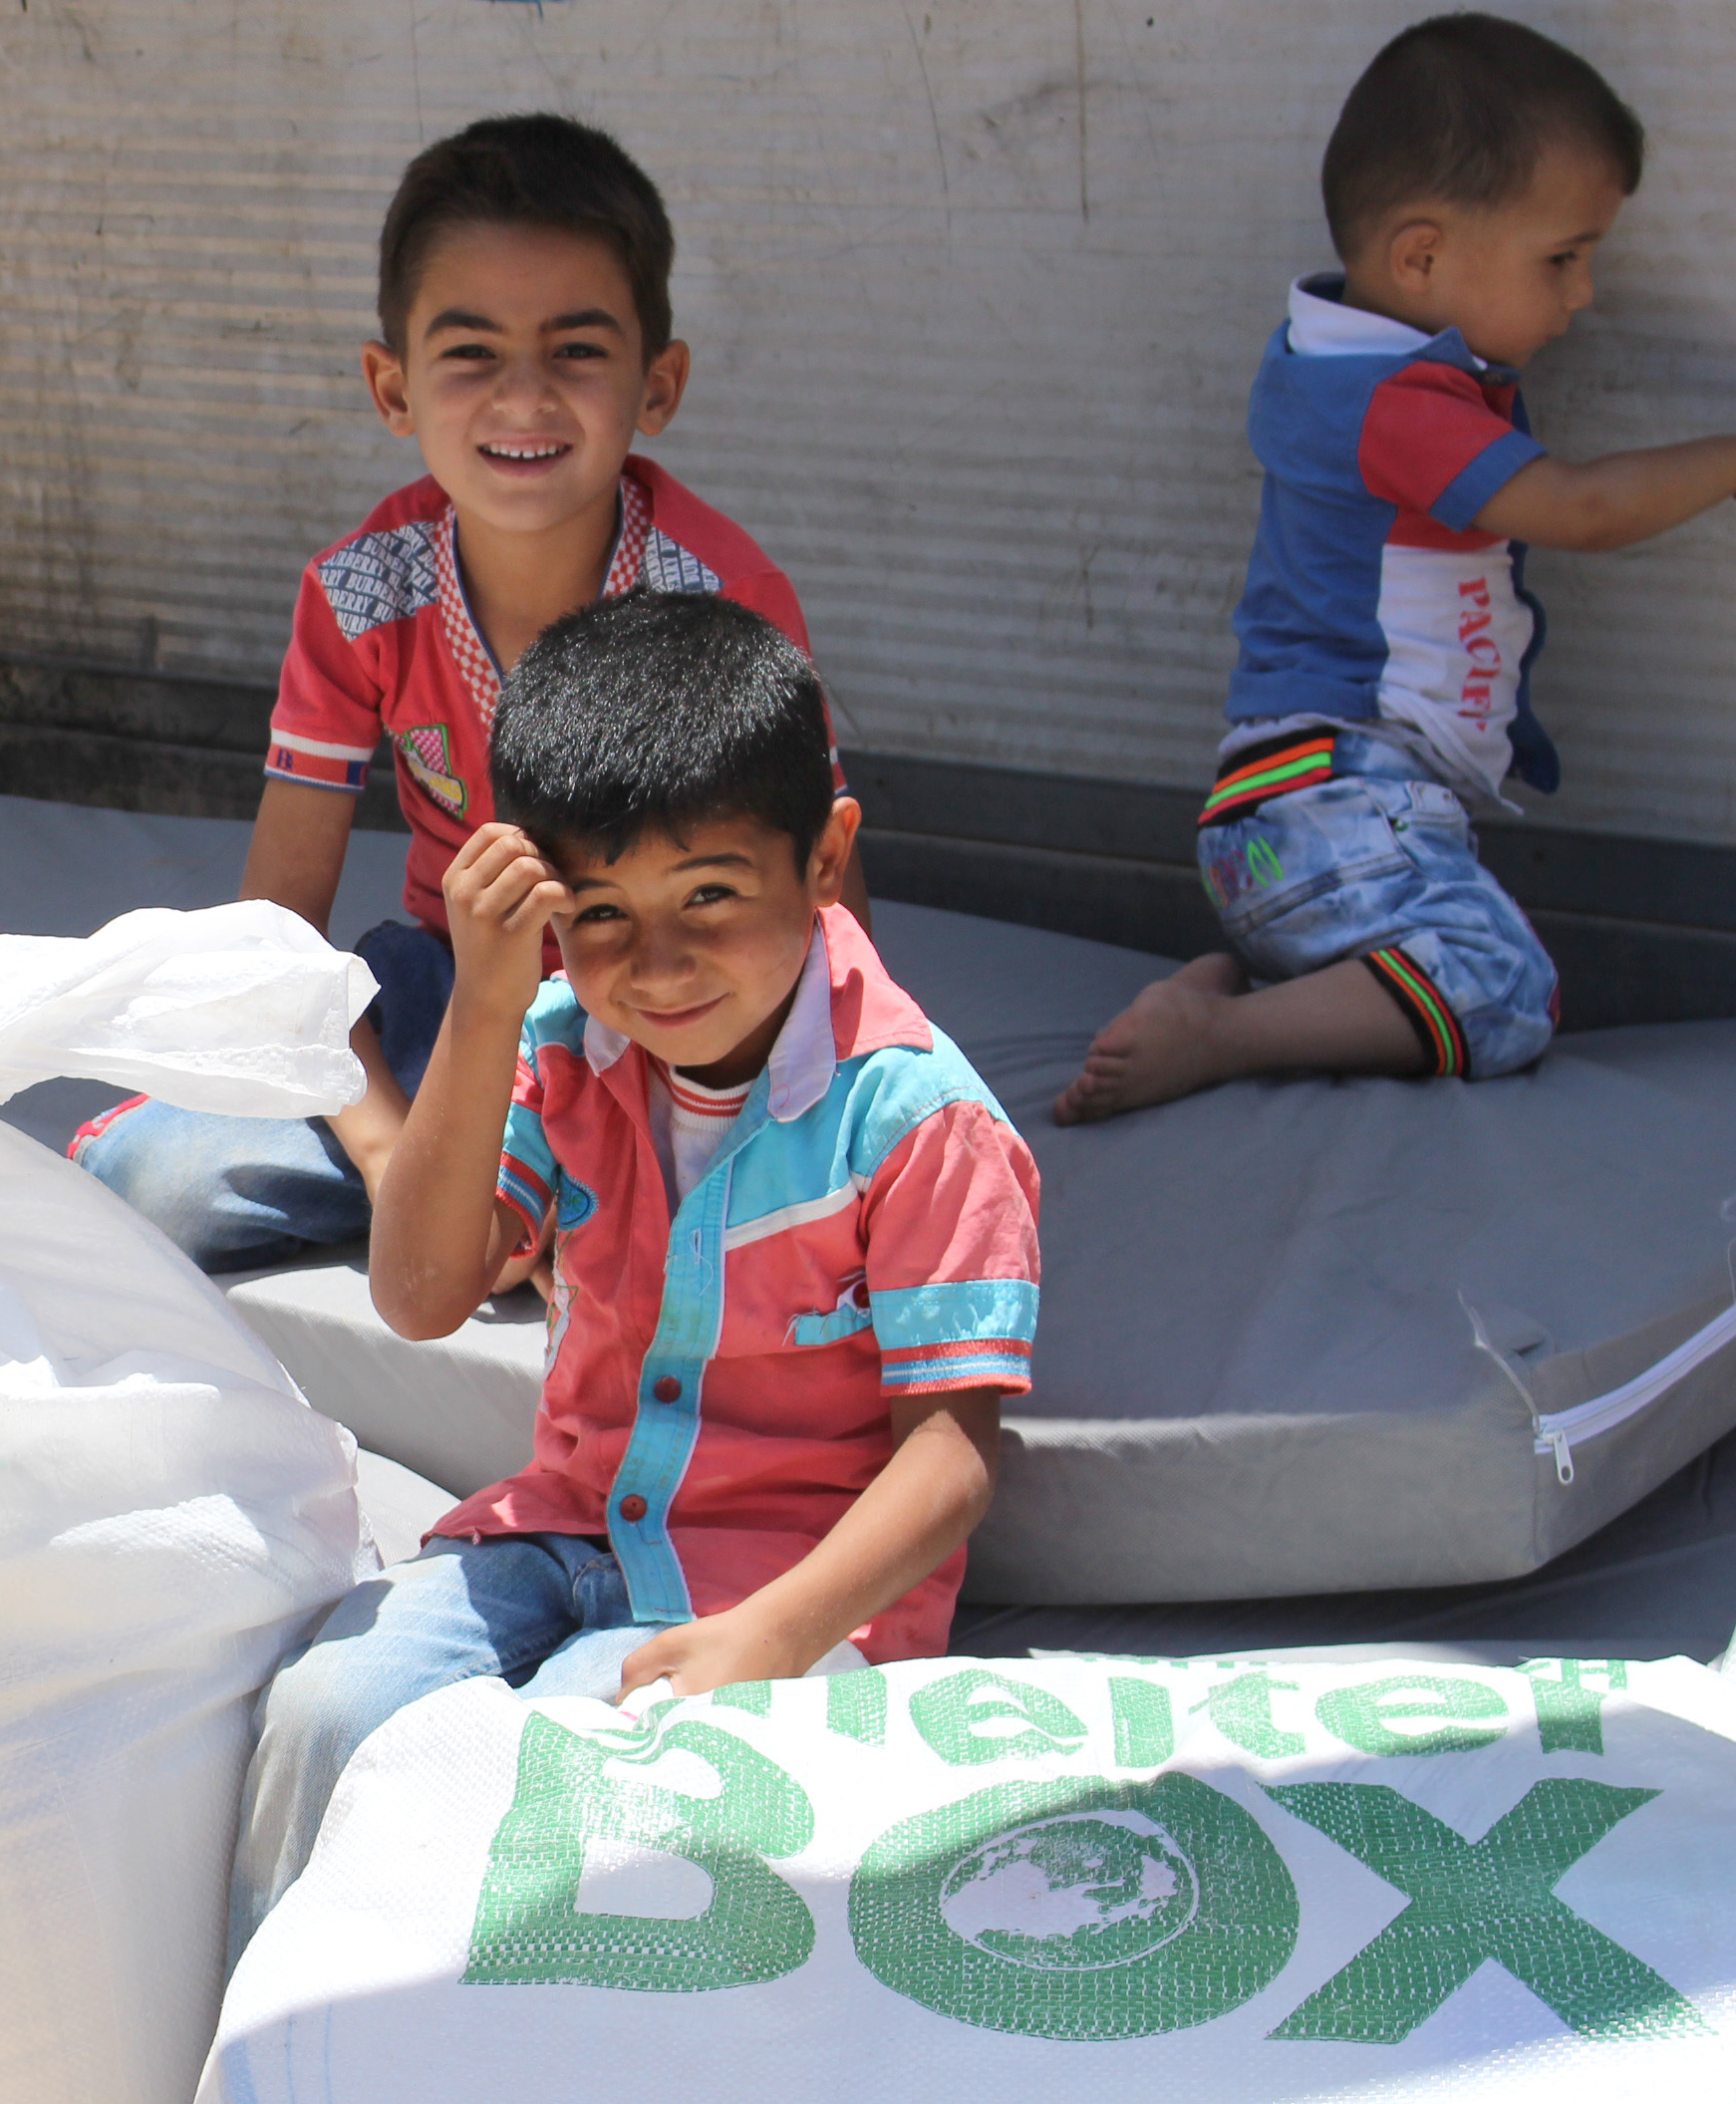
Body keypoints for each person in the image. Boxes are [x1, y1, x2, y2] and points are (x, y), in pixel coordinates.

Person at [228, 592, 1037, 1954]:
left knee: (547, 1779)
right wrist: (487, 994)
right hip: (562, 1530)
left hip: (772, 1588)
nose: (657, 967)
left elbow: (950, 1462)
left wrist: (770, 1638)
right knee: (324, 1710)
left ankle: (461, 2078)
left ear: (826, 860)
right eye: (597, 912)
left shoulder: (916, 1125)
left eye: (711, 897)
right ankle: (267, 2051)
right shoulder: (556, 1038)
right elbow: (424, 1294)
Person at [72, 112, 856, 1270]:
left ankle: (563, 1205)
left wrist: (815, 1106)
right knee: (147, 1183)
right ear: (392, 387)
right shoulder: (360, 594)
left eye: (578, 350)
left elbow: (822, 916)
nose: (524, 398)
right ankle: (531, 1204)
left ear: (660, 382)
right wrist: (396, 1158)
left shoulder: (725, 597)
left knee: (796, 1196)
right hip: (452, 998)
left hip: (665, 1002)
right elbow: (276, 933)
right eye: (472, 351)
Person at [1057, 13, 1736, 1122]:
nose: (1583, 296)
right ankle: (1224, 1031)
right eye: (1562, 259)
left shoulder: (1350, 366)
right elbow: (1577, 508)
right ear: (1423, 256)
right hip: (1335, 803)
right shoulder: (1393, 405)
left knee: (1454, 964)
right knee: (1504, 990)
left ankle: (1246, 980)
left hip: (1303, 823)